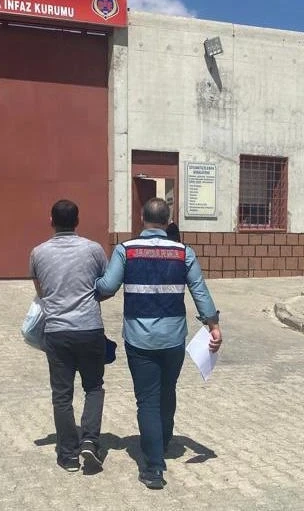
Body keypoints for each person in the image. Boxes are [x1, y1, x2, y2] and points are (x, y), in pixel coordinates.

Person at [95, 197, 222, 489]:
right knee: (167, 390)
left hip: (139, 339)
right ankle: (163, 441)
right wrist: (213, 326)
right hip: (173, 338)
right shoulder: (184, 252)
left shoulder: (125, 250)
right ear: (167, 221)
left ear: (142, 218)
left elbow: (108, 287)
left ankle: (153, 467)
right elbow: (200, 290)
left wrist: (91, 284)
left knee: (147, 399)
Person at [29, 199, 108, 472]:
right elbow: (106, 285)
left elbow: (41, 292)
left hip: (57, 331)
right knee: (93, 387)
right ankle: (90, 441)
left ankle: (68, 455)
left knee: (62, 394)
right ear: (77, 221)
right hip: (90, 328)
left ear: (51, 221)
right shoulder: (94, 249)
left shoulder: (38, 253)